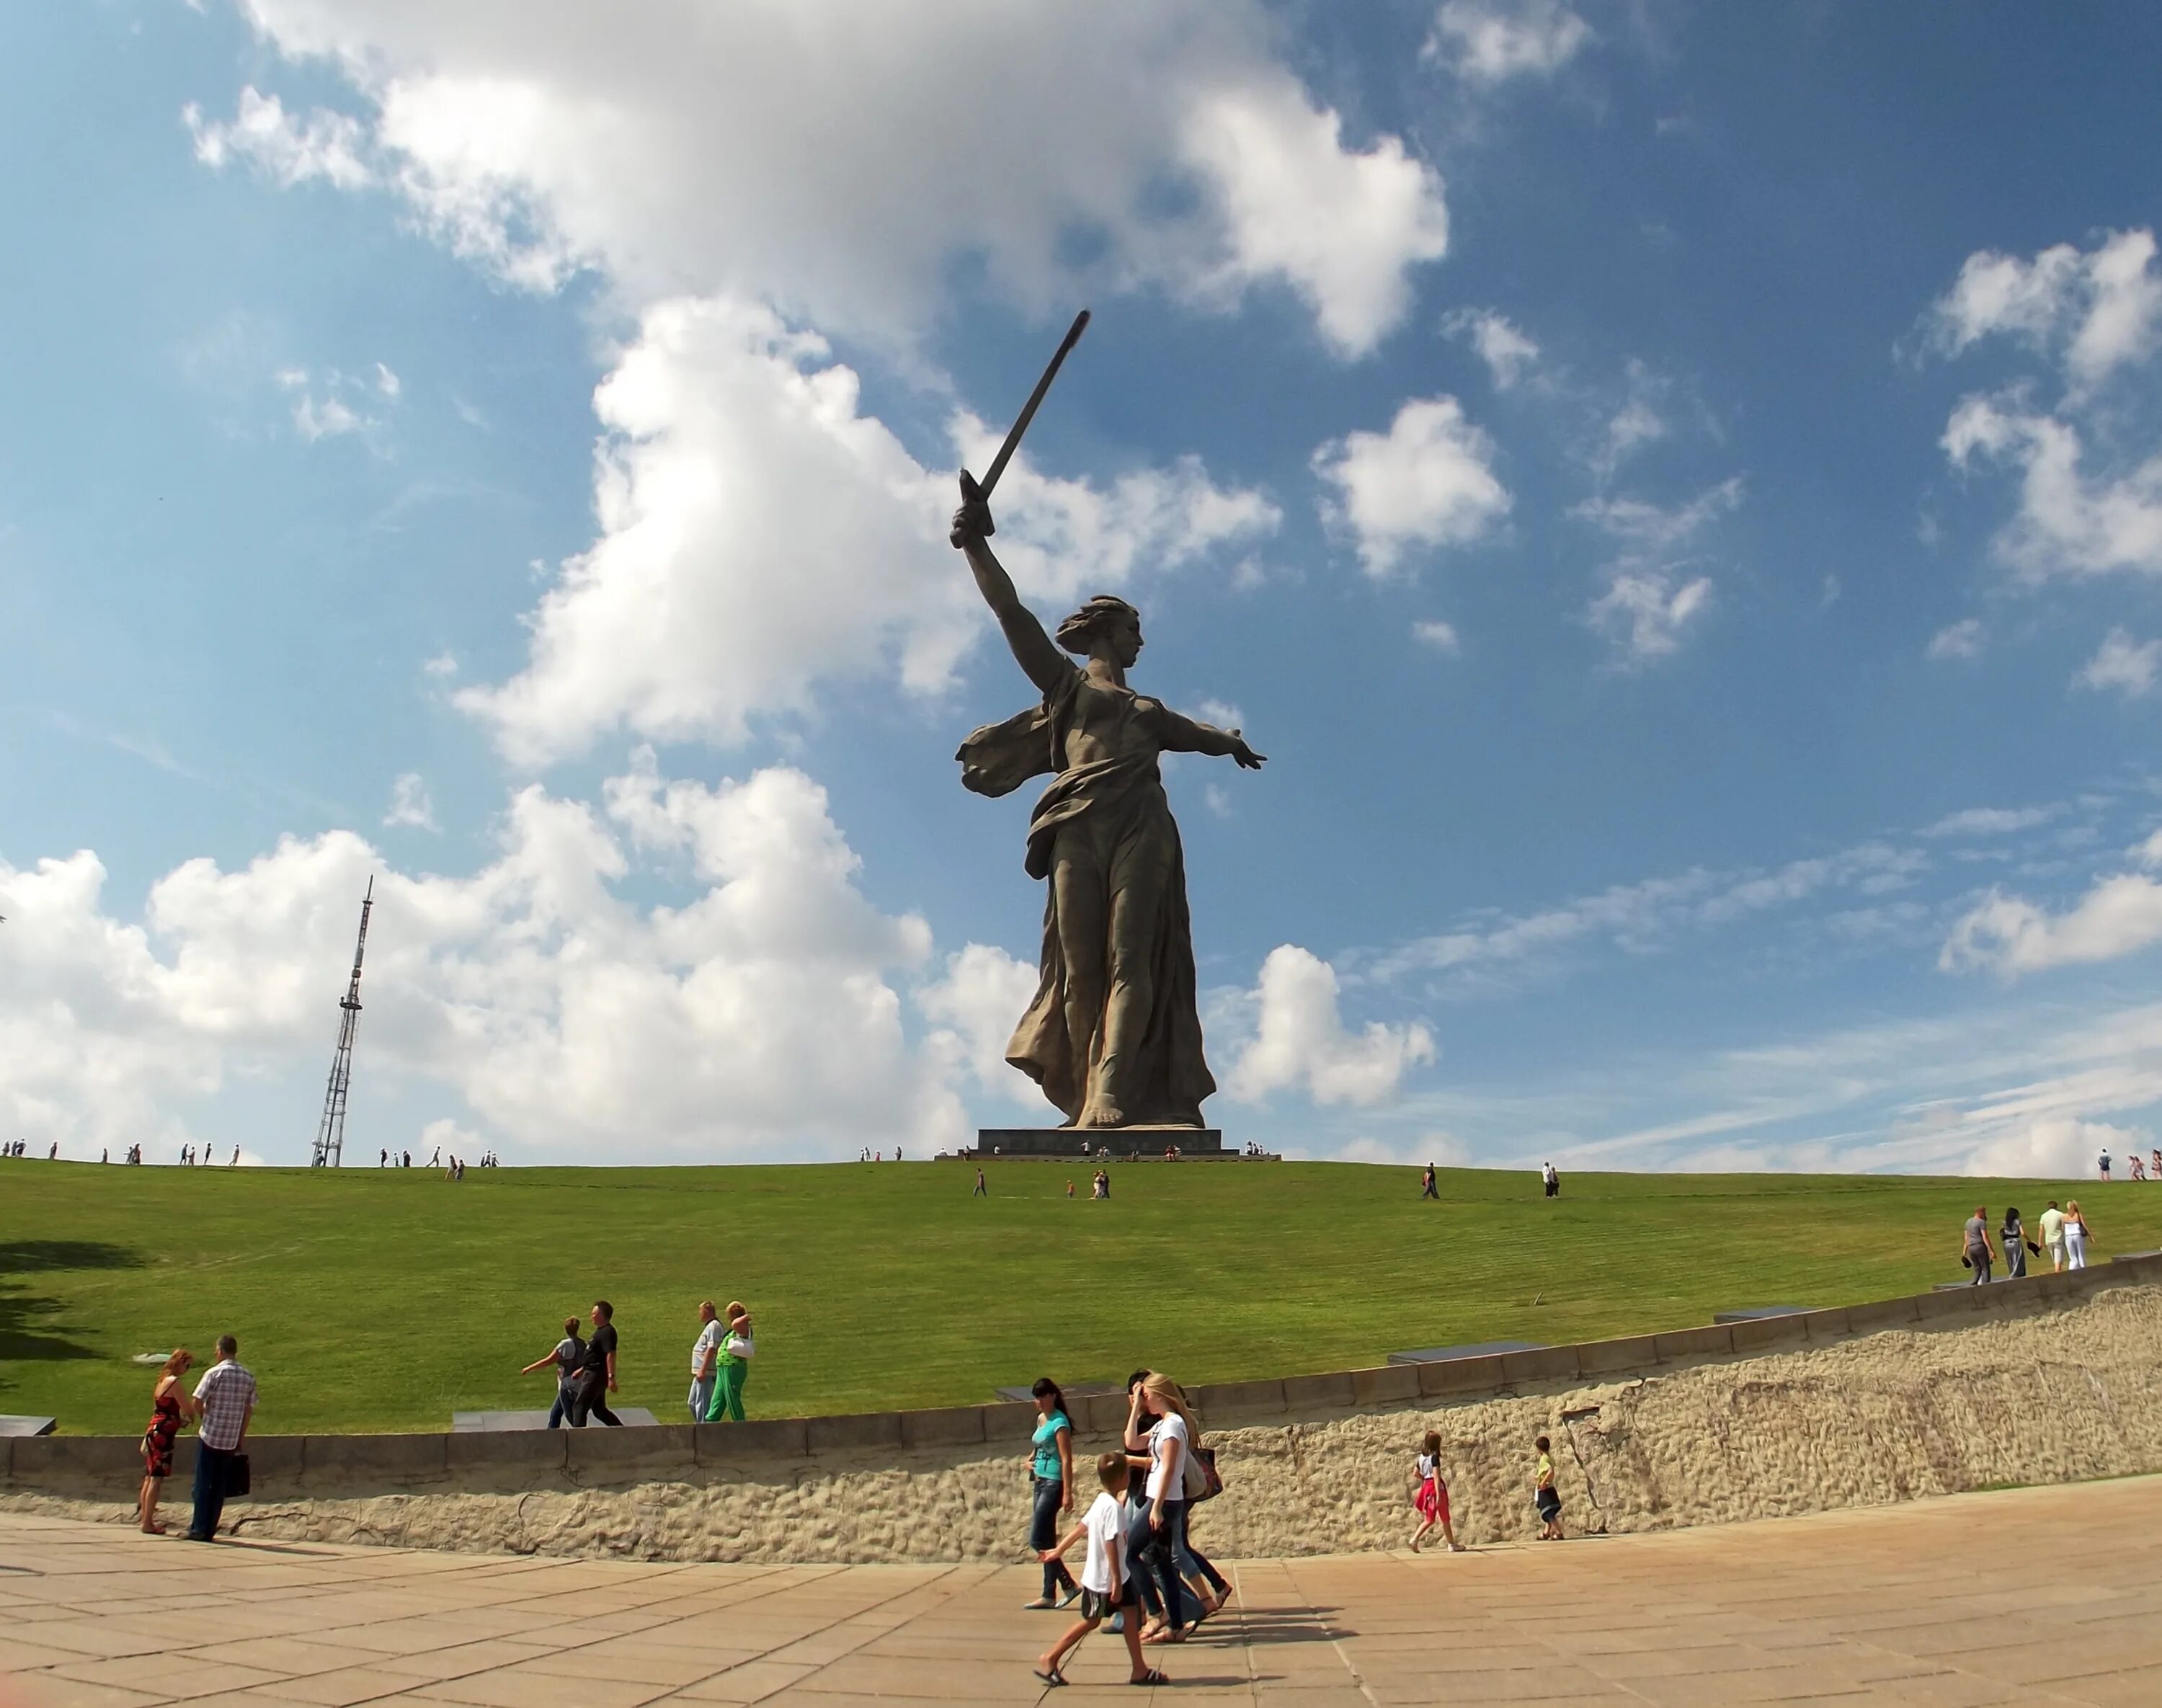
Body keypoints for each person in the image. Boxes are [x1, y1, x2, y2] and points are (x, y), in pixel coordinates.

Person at [951, 486, 1263, 1132]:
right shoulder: (1066, 689)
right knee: (1080, 968)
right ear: (1104, 632)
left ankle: (1112, 1091)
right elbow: (1012, 613)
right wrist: (977, 545)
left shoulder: (1148, 712)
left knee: (1133, 957)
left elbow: (1199, 734)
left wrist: (1229, 742)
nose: (1141, 642)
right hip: (1074, 826)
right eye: (1133, 631)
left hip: (1142, 826)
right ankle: (1086, 1086)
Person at [1033, 1451, 1164, 1690]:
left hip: (1112, 1576)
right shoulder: (1112, 1508)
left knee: (1132, 1615)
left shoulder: (1103, 1501)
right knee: (1092, 1621)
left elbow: (1082, 1526)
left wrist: (1058, 1550)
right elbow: (1111, 1542)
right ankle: (1051, 1657)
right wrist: (1115, 1581)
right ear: (1124, 1477)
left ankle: (1139, 1669)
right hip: (1108, 1578)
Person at [1123, 1372, 1201, 1645]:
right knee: (1162, 1562)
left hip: (1165, 1501)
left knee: (1130, 1553)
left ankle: (1157, 1612)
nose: (1145, 1401)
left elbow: (1168, 1468)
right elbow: (1131, 1442)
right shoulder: (1161, 1425)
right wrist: (1135, 1407)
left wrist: (1155, 1508)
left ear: (1160, 1395)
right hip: (1162, 1499)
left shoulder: (1173, 1425)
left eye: (1147, 1396)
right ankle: (1176, 1625)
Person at [186, 1335, 257, 1542]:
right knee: (219, 1487)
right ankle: (210, 1528)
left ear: (220, 1351)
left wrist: (204, 1415)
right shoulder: (248, 1376)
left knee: (202, 1484)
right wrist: (240, 1437)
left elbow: (197, 1401)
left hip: (210, 1435)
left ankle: (198, 1527)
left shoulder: (214, 1373)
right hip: (231, 1439)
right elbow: (248, 1410)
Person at [1024, 1378, 1082, 1610]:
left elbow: (1066, 1458)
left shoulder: (1060, 1422)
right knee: (1046, 1540)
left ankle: (1068, 1584)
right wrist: (1031, 1460)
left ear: (1053, 1396)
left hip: (1054, 1483)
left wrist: (1068, 1492)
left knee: (1036, 1539)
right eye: (1036, 1397)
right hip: (1039, 1481)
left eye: (1041, 1396)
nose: (1038, 1401)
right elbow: (1039, 1443)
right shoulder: (1042, 1419)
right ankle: (1048, 1594)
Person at [138, 1348, 195, 1534]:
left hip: (155, 1430)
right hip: (163, 1433)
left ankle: (145, 1519)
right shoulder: (174, 1382)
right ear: (179, 1362)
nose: (187, 1369)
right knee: (156, 1478)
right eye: (186, 1364)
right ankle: (147, 1523)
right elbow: (187, 1408)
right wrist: (191, 1417)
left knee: (150, 1476)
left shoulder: (162, 1381)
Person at [520, 1316, 584, 1428]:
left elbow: (548, 1361)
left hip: (566, 1386)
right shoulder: (583, 1344)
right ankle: (551, 1434)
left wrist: (529, 1368)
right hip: (578, 1385)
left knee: (572, 1419)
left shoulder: (565, 1345)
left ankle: (580, 1437)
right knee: (556, 1413)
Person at [1408, 1429, 1464, 1554]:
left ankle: (1449, 1543)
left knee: (1431, 1517)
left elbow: (1415, 1473)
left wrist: (1424, 1479)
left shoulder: (1421, 1457)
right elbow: (1436, 1476)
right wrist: (1439, 1494)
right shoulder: (1434, 1458)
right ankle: (1449, 1544)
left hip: (1427, 1487)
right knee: (1442, 1518)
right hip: (1435, 1488)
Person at [569, 1301, 622, 1427]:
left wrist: (611, 1378)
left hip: (596, 1375)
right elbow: (595, 1355)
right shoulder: (600, 1332)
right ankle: (621, 1431)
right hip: (591, 1372)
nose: (591, 1317)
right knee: (599, 1410)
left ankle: (578, 1439)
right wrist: (582, 1370)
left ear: (601, 1315)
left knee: (580, 1406)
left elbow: (610, 1354)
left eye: (594, 1314)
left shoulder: (607, 1332)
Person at [706, 1302, 754, 1421]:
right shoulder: (733, 1330)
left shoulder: (743, 1327)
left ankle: (740, 1423)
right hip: (722, 1367)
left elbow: (736, 1324)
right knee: (718, 1397)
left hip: (733, 1367)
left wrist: (746, 1317)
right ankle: (711, 1420)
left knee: (732, 1396)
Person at [689, 1300, 723, 1423]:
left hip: (706, 1372)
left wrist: (703, 1370)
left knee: (702, 1404)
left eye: (701, 1311)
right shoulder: (710, 1326)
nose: (700, 1314)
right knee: (692, 1403)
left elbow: (711, 1348)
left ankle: (704, 1431)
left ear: (706, 1311)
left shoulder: (714, 1326)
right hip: (700, 1372)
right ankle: (700, 1425)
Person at [1534, 1435, 1562, 1541]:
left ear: (1539, 1449)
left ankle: (1559, 1532)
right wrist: (1538, 1478)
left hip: (1546, 1490)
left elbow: (1550, 1471)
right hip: (1550, 1489)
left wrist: (1543, 1481)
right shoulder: (1549, 1458)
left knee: (1548, 1513)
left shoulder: (1544, 1459)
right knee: (1548, 1512)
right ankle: (1546, 1533)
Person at [1961, 1204, 1996, 1284]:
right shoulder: (1981, 1222)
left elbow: (1966, 1238)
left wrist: (1964, 1254)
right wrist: (1991, 1251)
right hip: (1979, 1246)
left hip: (1971, 1248)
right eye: (1984, 1213)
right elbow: (1985, 1237)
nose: (1985, 1215)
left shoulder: (1968, 1222)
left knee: (1977, 1268)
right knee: (1985, 1268)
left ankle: (1973, 1284)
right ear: (1981, 1212)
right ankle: (1986, 1286)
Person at [2001, 1206, 2033, 1280]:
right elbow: (2023, 1233)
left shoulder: (2004, 1222)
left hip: (2006, 1243)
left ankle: (2012, 1273)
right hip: (2015, 1241)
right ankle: (2017, 1275)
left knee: (2010, 1259)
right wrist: (2029, 1240)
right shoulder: (2018, 1221)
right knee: (2018, 1259)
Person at [2039, 1200, 2067, 1273]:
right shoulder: (2060, 1214)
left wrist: (2040, 1242)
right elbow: (2063, 1228)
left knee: (2056, 1261)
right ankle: (2058, 1278)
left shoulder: (2044, 1216)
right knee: (2058, 1262)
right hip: (2058, 1239)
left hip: (2048, 1240)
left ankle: (2059, 1274)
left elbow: (2041, 1230)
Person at [2065, 1199, 2091, 1269]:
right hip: (2077, 1235)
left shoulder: (2064, 1216)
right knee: (2080, 1254)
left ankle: (2071, 1271)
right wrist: (2090, 1236)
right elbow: (2084, 1225)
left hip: (2068, 1236)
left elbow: (2062, 1228)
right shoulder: (2078, 1215)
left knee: (2072, 1257)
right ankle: (2083, 1269)